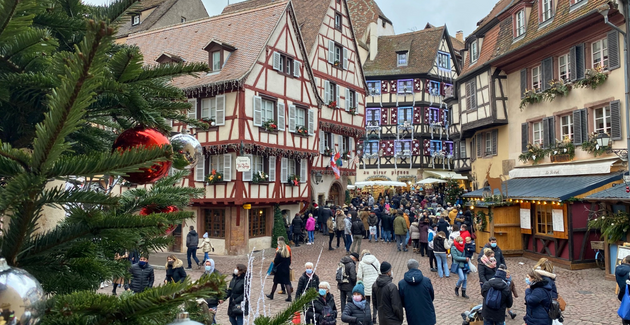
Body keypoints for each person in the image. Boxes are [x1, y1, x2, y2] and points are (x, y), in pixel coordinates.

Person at [398, 259, 435, 325]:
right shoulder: (426, 280)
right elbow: (431, 296)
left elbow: (401, 300)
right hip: (427, 313)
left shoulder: (402, 283)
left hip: (412, 314)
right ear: (417, 266)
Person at [357, 250, 380, 321]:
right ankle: (374, 317)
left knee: (367, 301)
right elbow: (379, 271)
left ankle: (368, 317)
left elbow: (359, 275)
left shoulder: (361, 263)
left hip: (366, 282)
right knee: (375, 301)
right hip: (375, 282)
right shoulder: (376, 260)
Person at [201, 259, 222, 324]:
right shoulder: (204, 275)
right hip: (204, 300)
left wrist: (221, 298)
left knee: (211, 318)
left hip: (213, 299)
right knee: (207, 318)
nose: (207, 266)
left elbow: (222, 287)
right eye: (206, 265)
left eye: (209, 265)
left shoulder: (217, 275)